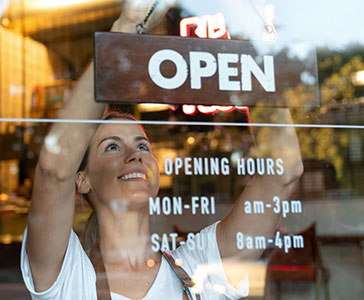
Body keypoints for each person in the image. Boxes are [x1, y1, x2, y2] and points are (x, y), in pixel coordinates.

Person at [20, 0, 303, 299]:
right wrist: (124, 32)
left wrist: (249, 48)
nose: (135, 155)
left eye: (142, 145)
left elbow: (283, 173)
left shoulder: (198, 268)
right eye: (112, 146)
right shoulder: (69, 275)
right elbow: (54, 169)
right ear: (82, 179)